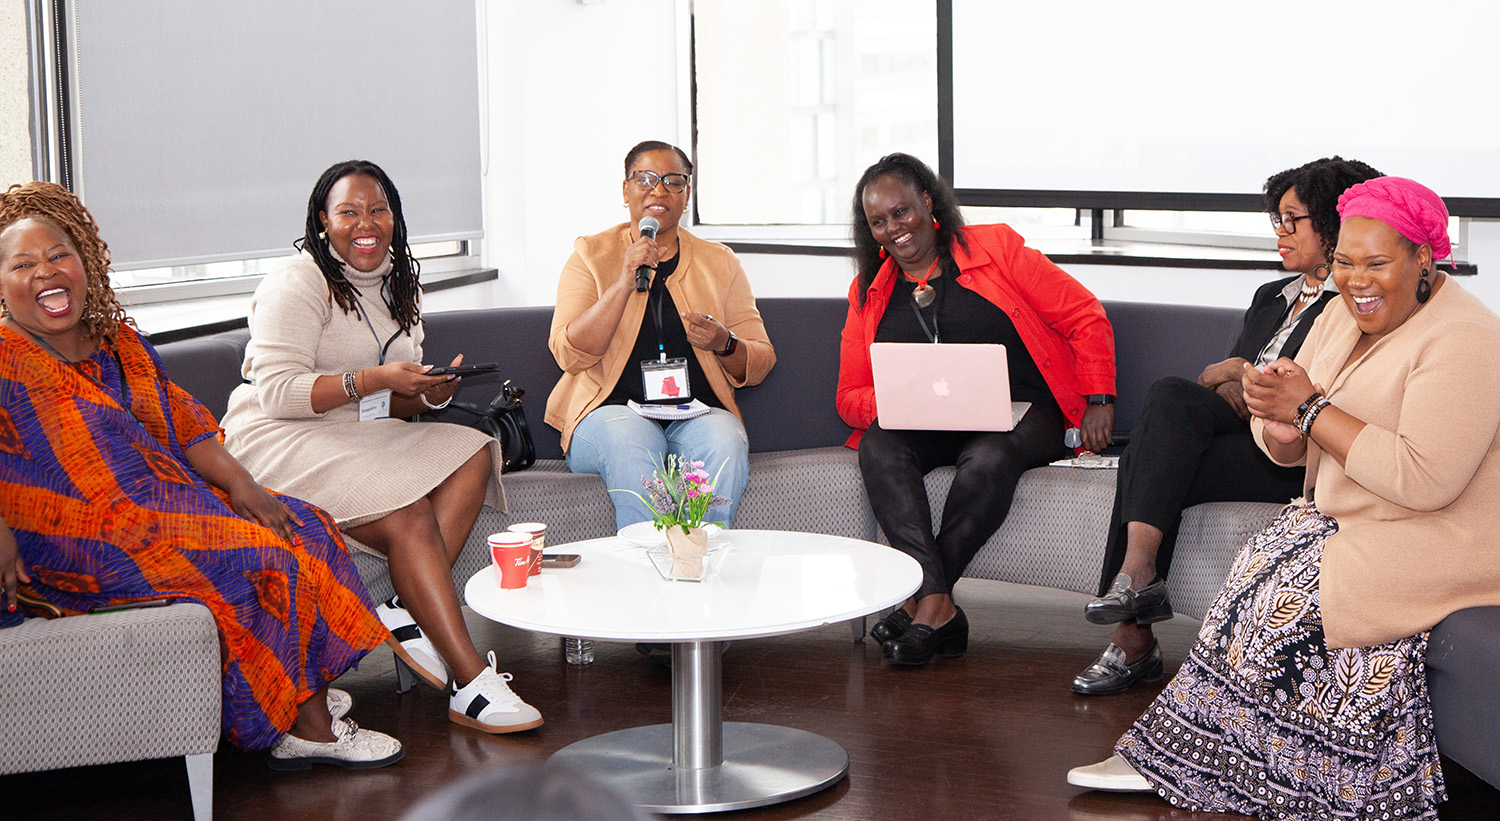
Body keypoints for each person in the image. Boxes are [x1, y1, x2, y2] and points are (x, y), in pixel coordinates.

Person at [1069, 177, 1500, 819]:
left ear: (1423, 259)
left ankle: (1276, 770)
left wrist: (1312, 411)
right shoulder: (1335, 315)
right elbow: (1294, 436)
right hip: (1355, 516)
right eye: (1347, 263)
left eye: (1378, 263)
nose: (1358, 280)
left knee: (1281, 603)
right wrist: (1280, 429)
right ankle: (1181, 751)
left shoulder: (1466, 338)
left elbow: (1424, 477)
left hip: (1443, 533)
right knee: (1247, 580)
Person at [0, 181, 401, 769]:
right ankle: (309, 731)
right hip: (74, 538)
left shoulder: (120, 344)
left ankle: (284, 691)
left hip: (162, 506)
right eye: (23, 264)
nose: (46, 273)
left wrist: (245, 487)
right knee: (257, 559)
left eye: (59, 255)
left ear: (84, 263)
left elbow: (187, 427)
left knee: (305, 525)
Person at [221, 160, 541, 734]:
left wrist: (427, 395)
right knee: (408, 512)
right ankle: (470, 682)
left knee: (473, 450)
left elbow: (382, 404)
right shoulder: (298, 282)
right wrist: (376, 380)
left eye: (378, 210)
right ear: (323, 222)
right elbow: (276, 393)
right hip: (277, 436)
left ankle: (400, 606)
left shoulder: (399, 283)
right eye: (348, 212)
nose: (364, 224)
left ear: (394, 219)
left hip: (353, 430)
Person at [1072, 157, 1382, 696]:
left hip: (1296, 456)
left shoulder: (1354, 304)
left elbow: (1307, 390)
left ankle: (1133, 622)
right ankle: (1135, 594)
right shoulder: (1271, 297)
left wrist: (1237, 372)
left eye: (1292, 220)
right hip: (1244, 438)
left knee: (1156, 443)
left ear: (1332, 223)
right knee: (1164, 427)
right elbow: (1223, 392)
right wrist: (1233, 377)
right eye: (1275, 220)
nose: (1279, 233)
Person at [839, 153, 1116, 667]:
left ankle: (920, 600)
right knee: (879, 446)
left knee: (987, 459)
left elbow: (1084, 314)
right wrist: (905, 397)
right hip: (927, 421)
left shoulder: (995, 248)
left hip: (1022, 412)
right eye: (878, 222)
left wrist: (1100, 397)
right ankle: (938, 605)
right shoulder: (868, 292)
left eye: (901, 212)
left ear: (927, 200)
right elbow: (850, 396)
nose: (893, 230)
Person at [546, 140, 774, 530]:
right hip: (609, 416)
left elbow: (760, 360)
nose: (658, 190)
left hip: (694, 414)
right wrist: (621, 283)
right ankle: (646, 569)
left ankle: (701, 557)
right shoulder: (590, 254)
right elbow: (569, 352)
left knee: (724, 439)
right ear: (625, 190)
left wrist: (724, 342)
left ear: (687, 195)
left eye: (673, 181)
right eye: (645, 179)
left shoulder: (720, 262)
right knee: (633, 439)